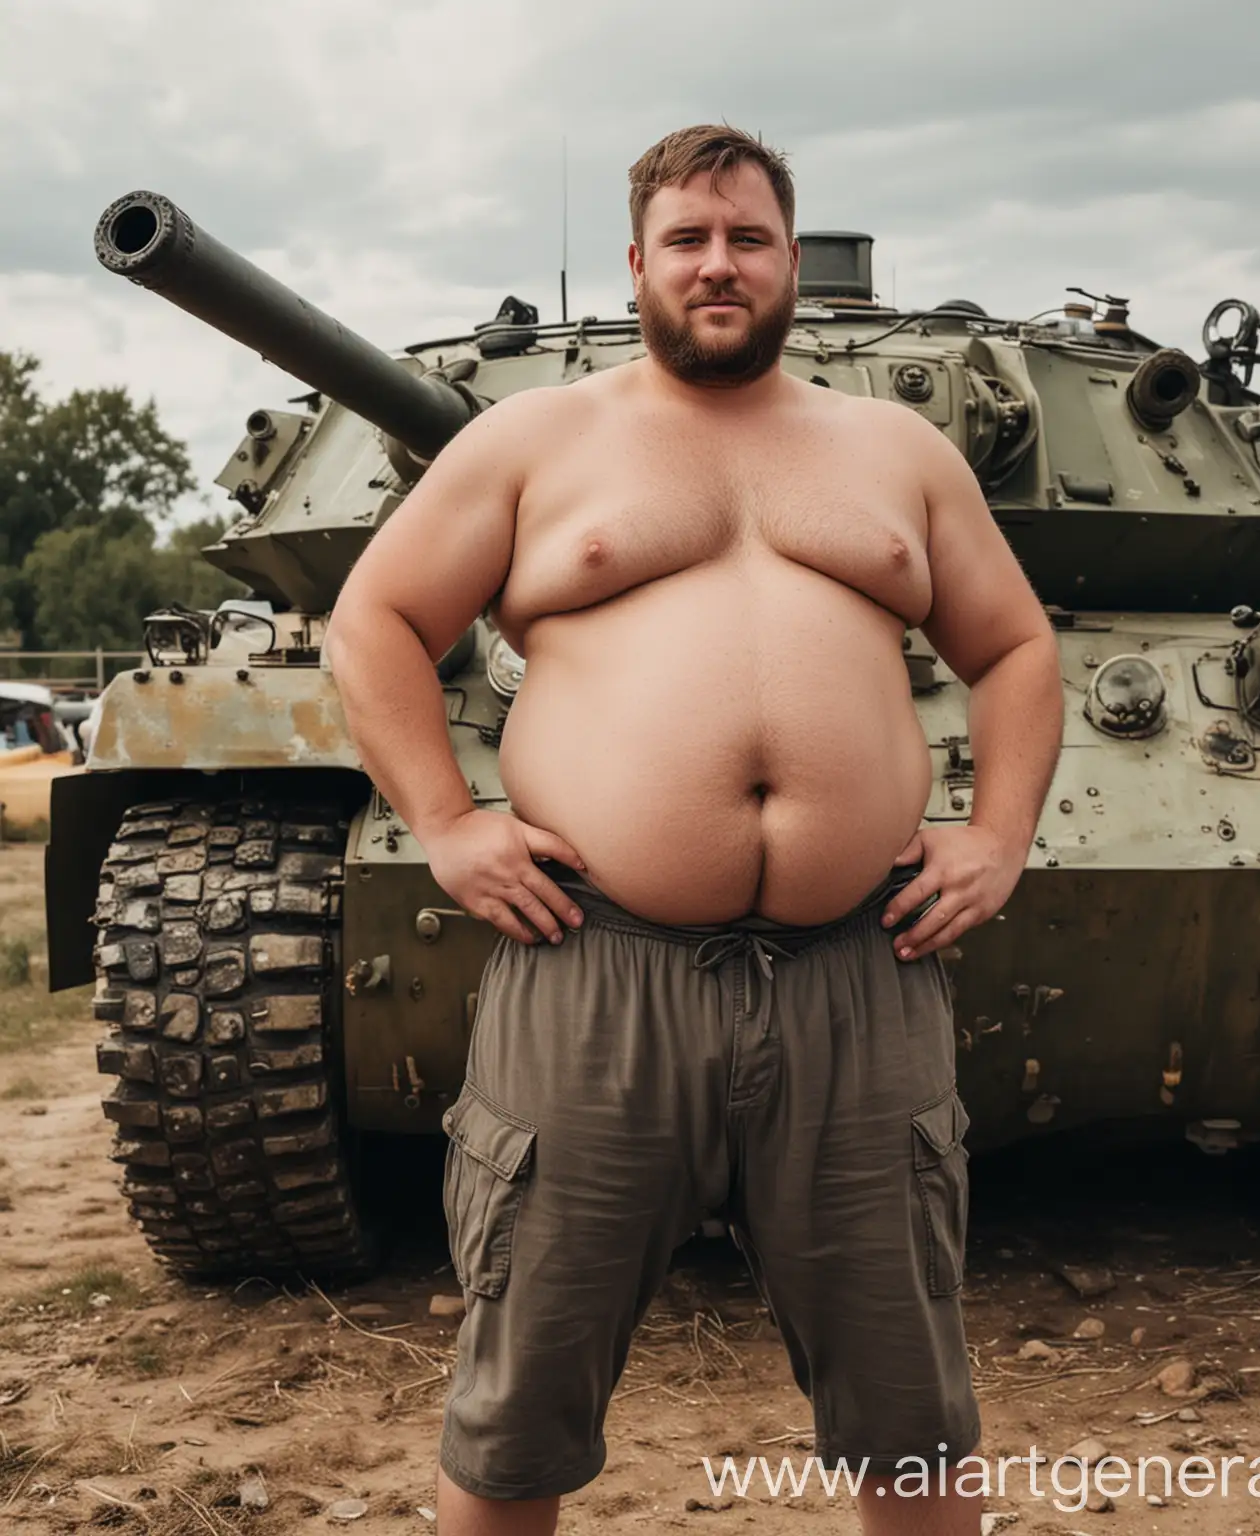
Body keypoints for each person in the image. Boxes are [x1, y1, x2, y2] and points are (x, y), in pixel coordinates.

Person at [327, 123, 1063, 1536]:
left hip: (862, 976)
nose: (717, 264)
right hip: (598, 972)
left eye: (746, 238)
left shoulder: (893, 450)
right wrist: (444, 818)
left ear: (794, 262)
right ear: (640, 265)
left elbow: (1019, 646)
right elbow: (376, 619)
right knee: (516, 1412)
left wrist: (999, 835)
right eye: (688, 240)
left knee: (909, 1410)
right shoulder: (537, 439)